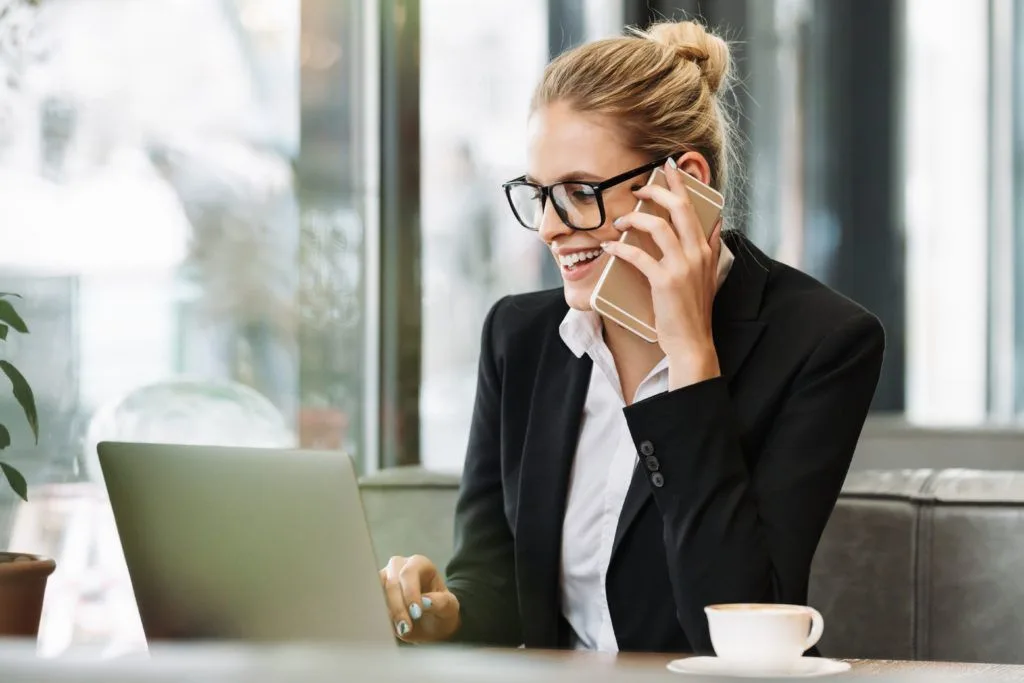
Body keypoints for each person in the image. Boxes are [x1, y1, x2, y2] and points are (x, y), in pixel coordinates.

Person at [380, 19, 885, 654]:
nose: (549, 229)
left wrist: (691, 359)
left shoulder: (823, 344)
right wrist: (443, 614)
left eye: (579, 193)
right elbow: (499, 586)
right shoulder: (520, 338)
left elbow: (737, 637)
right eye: (539, 195)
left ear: (684, 181)